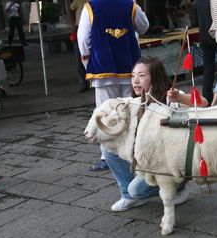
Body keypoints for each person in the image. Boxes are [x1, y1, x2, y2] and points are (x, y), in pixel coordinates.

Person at [103, 56, 208, 211]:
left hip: (167, 161)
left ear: (155, 77)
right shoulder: (134, 101)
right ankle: (128, 196)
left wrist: (180, 97)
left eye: (142, 75)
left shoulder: (170, 96)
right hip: (146, 155)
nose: (135, 81)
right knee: (108, 149)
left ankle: (179, 186)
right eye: (133, 76)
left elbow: (203, 103)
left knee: (137, 190)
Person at [78, 0, 149, 171]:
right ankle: (132, 152)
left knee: (104, 113)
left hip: (103, 67)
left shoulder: (91, 6)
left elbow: (82, 38)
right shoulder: (130, 4)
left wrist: (88, 61)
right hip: (128, 66)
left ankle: (107, 157)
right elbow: (144, 26)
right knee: (130, 111)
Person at [68, 0, 90, 92]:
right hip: (79, 28)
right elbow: (70, 10)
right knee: (80, 58)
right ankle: (83, 83)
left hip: (94, 28)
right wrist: (73, 24)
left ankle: (95, 80)